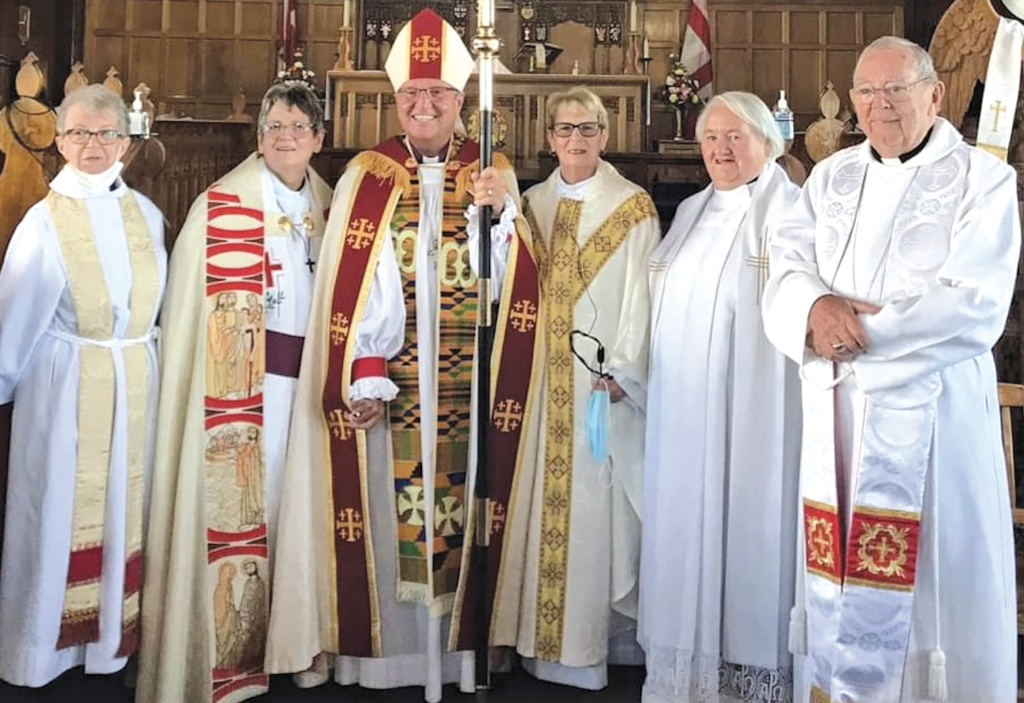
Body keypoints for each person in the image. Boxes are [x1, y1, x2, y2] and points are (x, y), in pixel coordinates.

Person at [264, 9, 541, 703]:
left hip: (464, 384)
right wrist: (365, 368)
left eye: (439, 95)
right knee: (391, 512)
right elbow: (354, 286)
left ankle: (460, 656)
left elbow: (513, 286)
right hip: (394, 386)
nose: (424, 106)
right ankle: (383, 658)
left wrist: (499, 216)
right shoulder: (367, 173)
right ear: (396, 103)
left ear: (458, 100)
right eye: (412, 95)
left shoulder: (492, 169)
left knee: (462, 509)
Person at [762, 36, 1020, 703]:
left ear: (934, 94)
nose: (881, 106)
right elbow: (785, 268)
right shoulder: (830, 177)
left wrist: (858, 332)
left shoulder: (983, 181)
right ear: (852, 102)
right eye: (867, 92)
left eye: (897, 89)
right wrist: (814, 309)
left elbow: (974, 304)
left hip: (932, 417)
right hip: (837, 412)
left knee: (932, 579)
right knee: (838, 569)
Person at [137, 81, 333, 703]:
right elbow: (191, 320)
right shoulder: (219, 207)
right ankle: (231, 658)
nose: (285, 136)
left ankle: (297, 645)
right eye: (274, 126)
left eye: (298, 127)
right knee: (248, 520)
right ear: (258, 136)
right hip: (240, 399)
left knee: (304, 520)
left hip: (312, 396)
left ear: (319, 140)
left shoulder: (334, 207)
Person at [0, 83, 166, 686]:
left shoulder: (148, 215)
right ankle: (44, 650)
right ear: (61, 141)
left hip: (137, 381)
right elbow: (14, 317)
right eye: (78, 133)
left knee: (130, 510)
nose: (92, 145)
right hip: (67, 390)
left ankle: (111, 647)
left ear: (125, 139)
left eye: (105, 133)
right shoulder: (42, 223)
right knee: (60, 512)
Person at [639, 92, 801, 703]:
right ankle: (685, 675)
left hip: (753, 414)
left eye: (736, 136)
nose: (722, 150)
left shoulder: (791, 213)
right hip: (682, 414)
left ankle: (745, 678)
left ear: (768, 141)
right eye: (711, 138)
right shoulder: (690, 212)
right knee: (684, 524)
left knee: (749, 528)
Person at [515, 86, 660, 690]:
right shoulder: (528, 203)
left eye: (588, 129)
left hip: (598, 390)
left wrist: (625, 371)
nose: (575, 140)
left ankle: (593, 646)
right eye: (565, 129)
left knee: (596, 510)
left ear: (606, 135)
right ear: (549, 138)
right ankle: (535, 647)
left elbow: (642, 299)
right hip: (535, 390)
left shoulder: (633, 207)